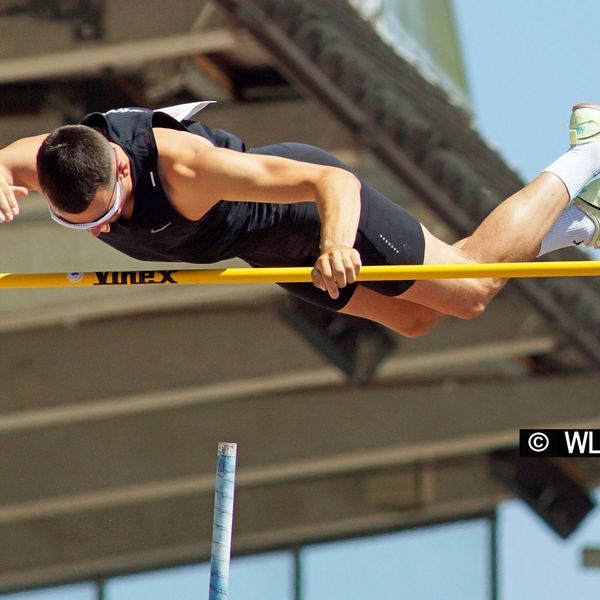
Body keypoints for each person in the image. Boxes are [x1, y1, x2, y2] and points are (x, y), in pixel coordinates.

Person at [1, 101, 600, 338]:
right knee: (415, 318)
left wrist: (338, 245)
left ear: (124, 171)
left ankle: (589, 151)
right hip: (269, 249)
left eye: (106, 214)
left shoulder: (187, 167)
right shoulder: (52, 158)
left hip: (312, 212)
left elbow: (329, 182)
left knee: (469, 290)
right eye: (79, 225)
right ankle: (576, 226)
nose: (102, 229)